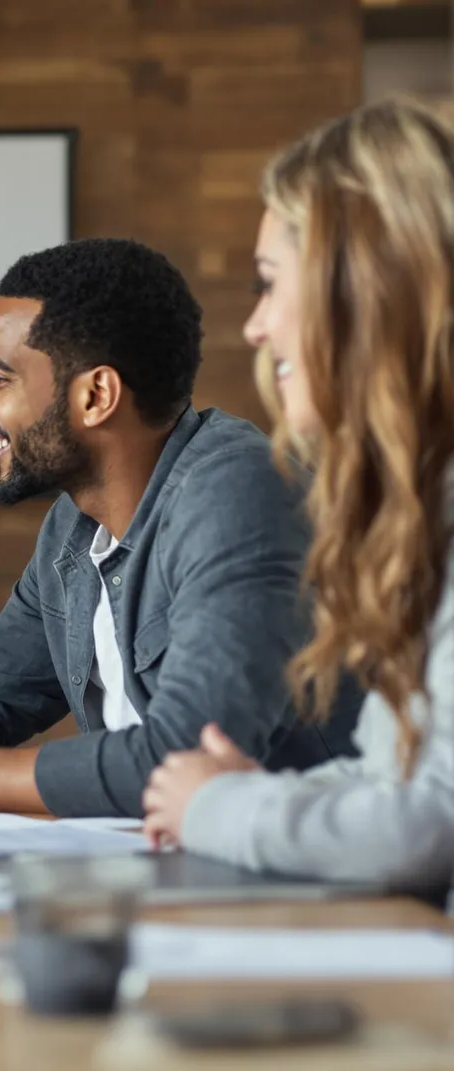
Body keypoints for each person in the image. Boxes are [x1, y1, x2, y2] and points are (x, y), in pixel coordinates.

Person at [0, 237, 357, 818]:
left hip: (297, 869)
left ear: (96, 396)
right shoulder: (75, 524)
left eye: (0, 379)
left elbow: (185, 760)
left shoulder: (239, 493)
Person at [142, 98, 454, 888]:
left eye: (270, 284)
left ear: (365, 289)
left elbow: (432, 825)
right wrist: (251, 796)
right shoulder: (421, 510)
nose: (254, 328)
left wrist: (221, 807)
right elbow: (394, 780)